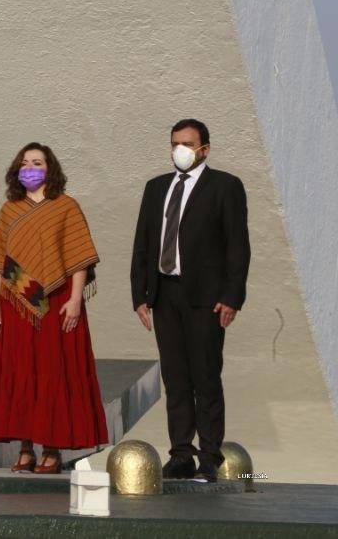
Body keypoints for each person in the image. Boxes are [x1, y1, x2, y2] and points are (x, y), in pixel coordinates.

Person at [130, 119, 249, 483]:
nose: (179, 149)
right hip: (165, 294)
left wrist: (231, 296)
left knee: (206, 377)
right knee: (176, 378)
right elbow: (143, 244)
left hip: (206, 298)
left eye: (187, 143)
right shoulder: (156, 188)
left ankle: (209, 455)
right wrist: (140, 295)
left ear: (205, 149)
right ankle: (180, 453)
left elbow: (238, 247)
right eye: (174, 143)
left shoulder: (225, 187)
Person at [0, 143, 108, 474]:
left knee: (53, 372)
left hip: (57, 300)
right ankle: (25, 447)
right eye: (24, 163)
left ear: (50, 169)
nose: (30, 168)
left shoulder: (66, 207)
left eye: (37, 163)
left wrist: (76, 300)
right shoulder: (10, 209)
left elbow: (79, 258)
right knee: (22, 371)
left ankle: (52, 449)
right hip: (17, 301)